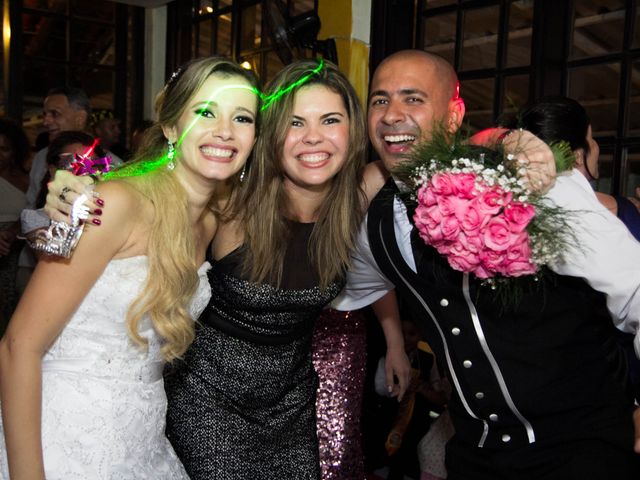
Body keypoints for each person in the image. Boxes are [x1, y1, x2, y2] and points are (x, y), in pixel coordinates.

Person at [333, 49, 640, 479]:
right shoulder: (377, 223)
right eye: (380, 100)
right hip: (475, 456)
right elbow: (338, 287)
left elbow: (635, 287)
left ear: (454, 115)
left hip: (582, 448)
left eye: (413, 98)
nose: (391, 114)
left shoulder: (533, 179)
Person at [0, 56, 259, 479]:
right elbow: (17, 347)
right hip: (63, 436)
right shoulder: (116, 204)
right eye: (206, 112)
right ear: (172, 127)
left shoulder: (210, 221)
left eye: (242, 118)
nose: (225, 131)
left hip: (141, 434)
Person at [518, 96, 640, 241]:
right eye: (591, 138)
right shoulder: (622, 211)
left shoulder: (516, 209)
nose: (596, 146)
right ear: (577, 156)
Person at [0, 118, 30, 334]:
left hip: (17, 251)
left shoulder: (26, 179)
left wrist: (14, 231)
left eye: (4, 149)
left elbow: (32, 212)